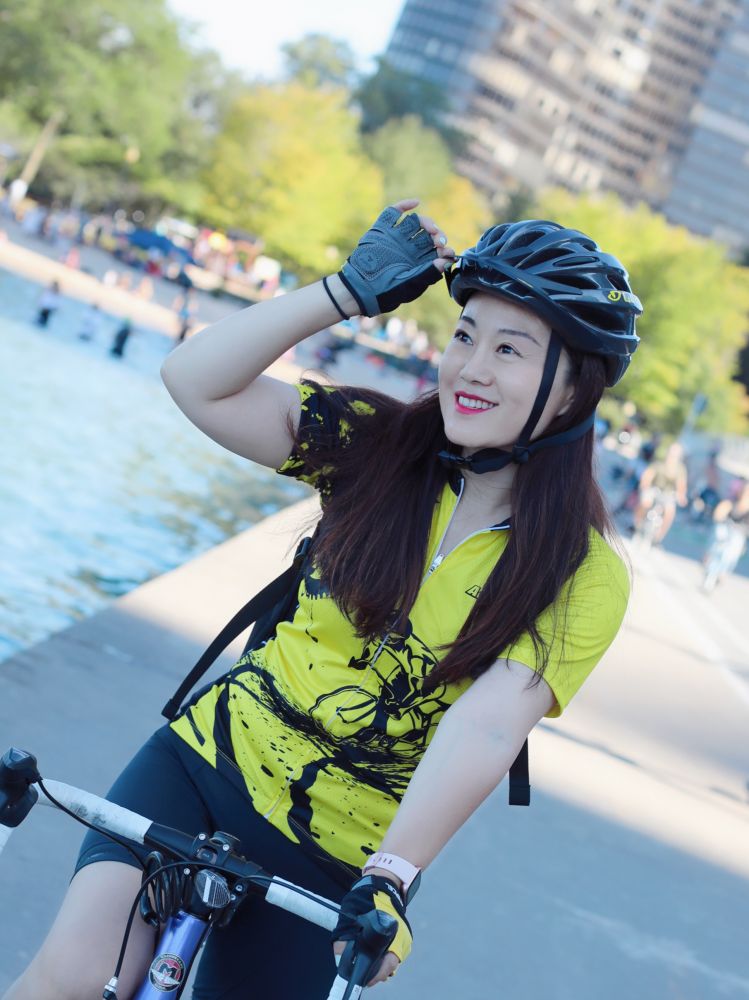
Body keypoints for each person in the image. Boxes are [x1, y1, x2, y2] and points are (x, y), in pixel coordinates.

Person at [4, 199, 641, 1000]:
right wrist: (343, 292)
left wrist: (391, 878)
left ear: (575, 389)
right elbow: (195, 382)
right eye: (464, 336)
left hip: (343, 857)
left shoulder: (582, 572)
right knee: (73, 978)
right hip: (203, 766)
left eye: (508, 349)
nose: (471, 368)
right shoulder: (373, 443)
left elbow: (486, 726)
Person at [633, 441, 688, 545]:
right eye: (672, 453)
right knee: (645, 503)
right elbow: (648, 475)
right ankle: (637, 524)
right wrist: (645, 485)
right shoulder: (659, 463)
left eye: (676, 454)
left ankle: (658, 537)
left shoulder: (680, 469)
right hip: (654, 489)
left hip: (668, 494)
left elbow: (681, 485)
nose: (673, 456)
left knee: (670, 512)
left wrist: (681, 496)